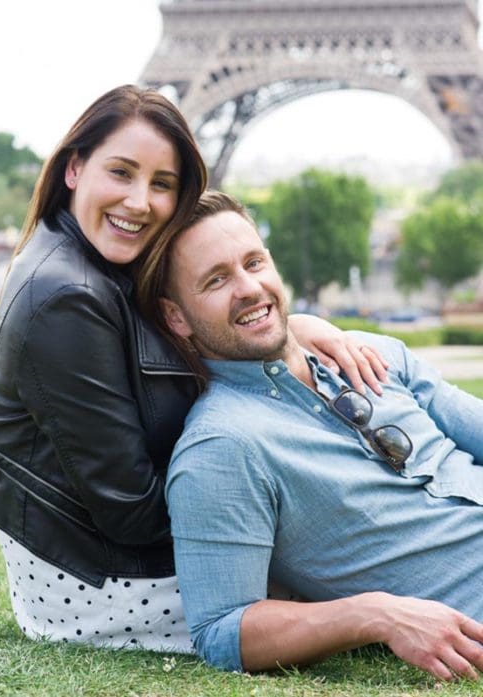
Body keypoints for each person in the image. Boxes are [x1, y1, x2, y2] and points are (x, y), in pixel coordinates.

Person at [0, 85, 383, 653]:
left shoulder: (94, 261)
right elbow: (131, 512)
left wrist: (284, 332)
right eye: (121, 173)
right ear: (74, 168)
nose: (140, 202)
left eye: (162, 184)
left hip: (96, 552)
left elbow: (188, 337)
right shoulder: (66, 296)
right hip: (105, 579)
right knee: (375, 543)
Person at [152, 190, 483, 681]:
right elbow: (221, 629)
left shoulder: (373, 351)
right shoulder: (222, 449)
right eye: (216, 280)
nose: (248, 287)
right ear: (176, 317)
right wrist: (375, 614)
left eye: (254, 262)